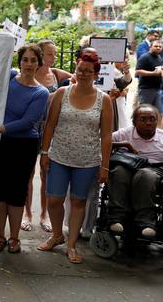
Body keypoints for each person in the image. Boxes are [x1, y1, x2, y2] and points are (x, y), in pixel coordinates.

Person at [37, 54, 113, 264]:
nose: (83, 74)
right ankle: (56, 234)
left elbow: (106, 135)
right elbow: (50, 125)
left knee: (79, 202)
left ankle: (71, 244)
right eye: (80, 69)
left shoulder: (103, 99)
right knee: (54, 199)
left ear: (96, 74)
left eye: (88, 71)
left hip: (87, 161)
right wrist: (44, 153)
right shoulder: (62, 93)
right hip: (59, 156)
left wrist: (104, 166)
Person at [0, 44, 49, 253]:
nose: (28, 64)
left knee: (17, 192)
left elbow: (29, 121)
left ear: (39, 63)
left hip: (23, 145)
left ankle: (14, 238)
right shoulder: (9, 77)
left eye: (33, 60)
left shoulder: (41, 92)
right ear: (20, 61)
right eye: (25, 59)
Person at [21, 40, 73, 233]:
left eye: (55, 53)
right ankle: (27, 214)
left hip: (51, 129)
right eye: (50, 54)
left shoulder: (57, 74)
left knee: (46, 174)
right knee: (28, 173)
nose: (54, 57)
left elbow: (80, 79)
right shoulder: (30, 73)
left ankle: (44, 214)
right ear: (41, 55)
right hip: (30, 127)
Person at [108, 104, 163, 238]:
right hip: (128, 166)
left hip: (154, 169)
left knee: (145, 175)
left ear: (157, 121)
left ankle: (146, 223)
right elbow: (102, 141)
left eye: (152, 119)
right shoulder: (125, 133)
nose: (148, 122)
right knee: (119, 172)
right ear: (134, 122)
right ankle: (117, 218)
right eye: (143, 119)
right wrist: (125, 144)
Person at [135, 39, 163, 112]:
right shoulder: (145, 57)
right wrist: (153, 73)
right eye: (156, 46)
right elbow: (138, 71)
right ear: (150, 46)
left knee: (158, 112)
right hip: (146, 89)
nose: (158, 48)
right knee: (145, 112)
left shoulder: (159, 58)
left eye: (160, 46)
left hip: (157, 89)